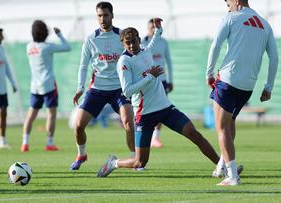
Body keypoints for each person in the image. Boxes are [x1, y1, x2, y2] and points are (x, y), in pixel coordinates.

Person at [96, 19, 221, 178]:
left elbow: (154, 42)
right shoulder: (124, 61)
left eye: (134, 41)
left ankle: (222, 166)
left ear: (139, 40)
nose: (132, 45)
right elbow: (127, 91)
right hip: (145, 114)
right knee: (139, 162)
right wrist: (150, 76)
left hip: (165, 108)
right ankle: (113, 163)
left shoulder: (145, 50)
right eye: (128, 43)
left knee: (193, 133)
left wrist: (159, 30)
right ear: (123, 44)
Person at [206, 0, 278, 185]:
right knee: (229, 125)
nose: (226, 5)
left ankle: (232, 175)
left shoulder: (231, 18)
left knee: (222, 128)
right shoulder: (265, 23)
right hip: (248, 86)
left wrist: (209, 72)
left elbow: (216, 45)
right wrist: (268, 87)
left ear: (236, 1)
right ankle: (222, 165)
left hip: (228, 80)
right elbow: (274, 58)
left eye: (227, 1)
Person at [70, 1, 135, 170]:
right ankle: (82, 154)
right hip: (97, 89)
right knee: (78, 126)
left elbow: (133, 58)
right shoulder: (91, 39)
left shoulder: (122, 36)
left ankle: (135, 159)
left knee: (128, 123)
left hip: (119, 89)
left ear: (112, 15)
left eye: (106, 15)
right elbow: (83, 66)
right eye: (99, 15)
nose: (103, 19)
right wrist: (79, 88)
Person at [21, 20, 71, 152]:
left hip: (35, 87)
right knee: (51, 115)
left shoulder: (29, 47)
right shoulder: (47, 47)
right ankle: (49, 143)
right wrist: (59, 34)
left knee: (31, 116)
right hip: (48, 85)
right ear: (45, 32)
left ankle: (25, 143)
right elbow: (67, 47)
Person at [141, 18, 174, 148]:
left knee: (162, 107)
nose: (154, 30)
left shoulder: (164, 42)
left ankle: (155, 138)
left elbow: (169, 61)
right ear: (148, 28)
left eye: (155, 28)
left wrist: (170, 80)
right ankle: (143, 134)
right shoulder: (142, 43)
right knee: (144, 108)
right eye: (151, 28)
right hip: (147, 81)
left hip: (162, 80)